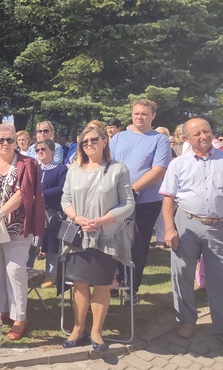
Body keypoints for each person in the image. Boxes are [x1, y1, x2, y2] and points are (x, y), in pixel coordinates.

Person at [61, 126, 135, 350]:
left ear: (104, 141)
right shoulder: (74, 169)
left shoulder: (118, 169)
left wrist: (104, 220)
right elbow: (65, 199)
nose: (89, 144)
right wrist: (76, 217)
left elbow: (129, 204)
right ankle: (78, 328)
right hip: (80, 236)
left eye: (94, 140)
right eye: (84, 142)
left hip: (107, 236)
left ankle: (96, 332)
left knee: (102, 284)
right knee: (79, 284)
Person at [0, 123, 45, 340]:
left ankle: (20, 318)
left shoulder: (27, 163)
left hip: (17, 227)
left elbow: (23, 193)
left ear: (16, 141)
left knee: (15, 271)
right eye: (1, 140)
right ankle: (3, 311)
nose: (6, 144)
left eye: (10, 140)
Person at [160, 117, 223, 339]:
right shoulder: (178, 164)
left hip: (218, 226)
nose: (203, 136)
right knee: (182, 273)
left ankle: (221, 325)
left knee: (219, 276)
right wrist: (169, 229)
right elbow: (168, 199)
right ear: (186, 138)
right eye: (197, 134)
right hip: (186, 222)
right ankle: (186, 320)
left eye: (206, 131)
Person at [110, 99, 171, 303]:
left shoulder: (159, 140)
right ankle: (113, 281)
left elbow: (158, 170)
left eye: (144, 114)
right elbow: (108, 163)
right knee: (112, 242)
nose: (140, 117)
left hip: (145, 201)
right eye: (136, 113)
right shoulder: (119, 138)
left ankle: (131, 288)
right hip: (116, 200)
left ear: (153, 115)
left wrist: (133, 189)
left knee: (136, 244)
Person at [34, 138, 67, 288]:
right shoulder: (35, 168)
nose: (40, 152)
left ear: (52, 151)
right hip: (34, 211)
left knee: (52, 244)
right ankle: (27, 268)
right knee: (31, 241)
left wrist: (42, 195)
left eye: (43, 149)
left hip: (52, 211)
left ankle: (51, 274)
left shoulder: (61, 169)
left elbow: (62, 188)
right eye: (37, 150)